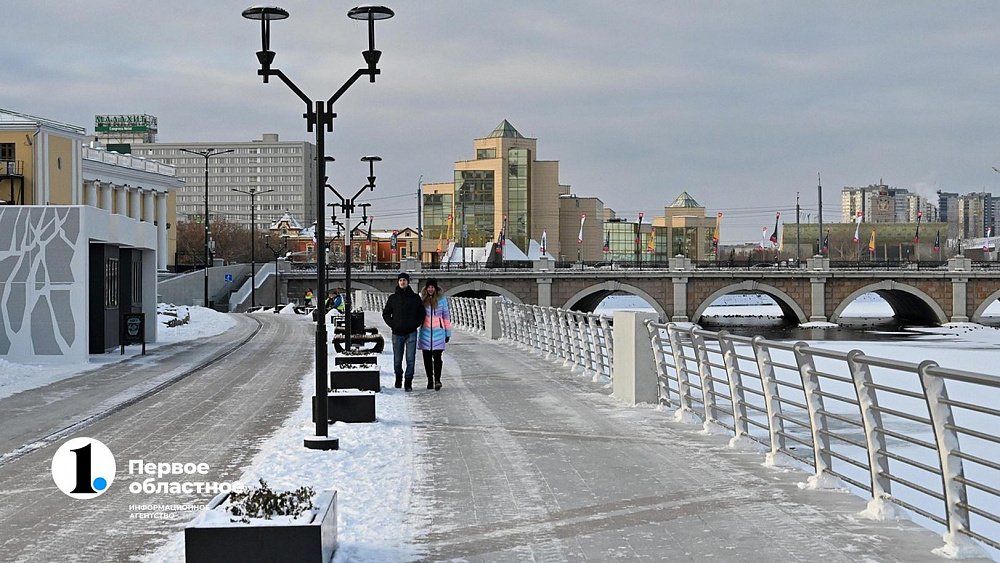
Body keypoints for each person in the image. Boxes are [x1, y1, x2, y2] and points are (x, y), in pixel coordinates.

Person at [382, 272, 425, 391]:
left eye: (404, 280)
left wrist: (415, 324)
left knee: (410, 359)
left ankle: (408, 382)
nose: (402, 282)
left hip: (411, 332)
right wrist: (393, 324)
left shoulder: (415, 298)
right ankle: (398, 378)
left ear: (408, 282)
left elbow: (421, 314)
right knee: (397, 360)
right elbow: (386, 313)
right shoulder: (393, 298)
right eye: (400, 280)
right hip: (397, 333)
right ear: (398, 282)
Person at [417, 278, 452, 390]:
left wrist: (447, 332)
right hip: (425, 333)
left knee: (437, 358)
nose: (430, 289)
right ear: (426, 289)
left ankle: (437, 380)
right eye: (429, 287)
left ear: (435, 289)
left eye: (432, 287)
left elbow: (446, 317)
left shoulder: (442, 300)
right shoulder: (422, 300)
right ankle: (430, 380)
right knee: (426, 359)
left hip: (438, 332)